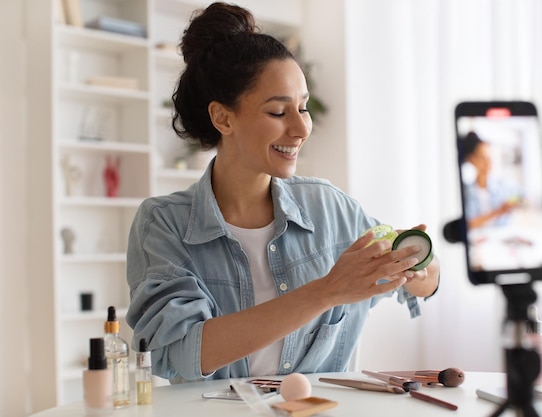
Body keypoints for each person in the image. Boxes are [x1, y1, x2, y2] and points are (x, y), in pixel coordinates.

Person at [125, 2, 440, 383]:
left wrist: (415, 265)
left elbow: (424, 279)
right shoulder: (165, 224)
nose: (301, 128)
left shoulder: (329, 207)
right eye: (278, 112)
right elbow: (181, 352)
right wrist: (327, 291)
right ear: (223, 118)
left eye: (303, 108)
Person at [461, 131, 521, 230]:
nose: (488, 162)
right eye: (482, 158)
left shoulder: (502, 185)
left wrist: (514, 201)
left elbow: (522, 196)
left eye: (489, 157)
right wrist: (498, 212)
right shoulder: (466, 191)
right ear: (471, 159)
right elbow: (468, 224)